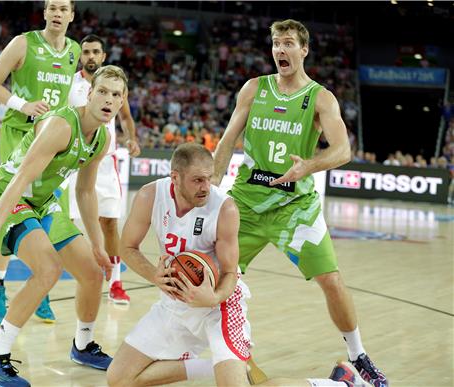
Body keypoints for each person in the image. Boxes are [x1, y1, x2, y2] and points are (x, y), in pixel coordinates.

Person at [211, 19, 387, 387]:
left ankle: (358, 356)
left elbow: (343, 150)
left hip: (295, 206)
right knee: (214, 275)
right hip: (246, 200)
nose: (280, 50)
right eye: (276, 43)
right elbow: (228, 139)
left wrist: (310, 165)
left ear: (304, 50)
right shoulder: (254, 89)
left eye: (288, 43)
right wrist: (213, 183)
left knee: (332, 280)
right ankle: (236, 353)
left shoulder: (320, 97)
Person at [108, 143, 371, 387]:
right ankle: (216, 368)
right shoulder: (150, 196)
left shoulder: (224, 209)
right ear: (175, 177)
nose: (206, 186)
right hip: (175, 303)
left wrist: (212, 297)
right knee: (118, 379)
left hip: (220, 307)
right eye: (197, 180)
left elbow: (232, 273)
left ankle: (339, 382)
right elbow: (127, 247)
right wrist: (154, 275)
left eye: (209, 178)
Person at [0, 65, 127, 386]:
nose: (108, 99)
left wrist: (97, 244)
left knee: (92, 272)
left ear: (122, 102)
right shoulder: (61, 125)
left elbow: (84, 191)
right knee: (48, 269)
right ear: (89, 93)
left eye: (116, 94)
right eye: (102, 91)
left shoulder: (102, 137)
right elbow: (20, 178)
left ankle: (83, 344)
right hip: (5, 194)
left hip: (43, 203)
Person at [0, 0, 81, 325]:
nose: (56, 13)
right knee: (13, 212)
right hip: (18, 135)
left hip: (52, 141)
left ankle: (40, 285)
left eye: (63, 8)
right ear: (45, 12)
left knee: (49, 213)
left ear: (71, 15)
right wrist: (23, 104)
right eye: (52, 7)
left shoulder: (74, 51)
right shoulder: (23, 42)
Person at [61, 34, 141, 304]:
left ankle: (116, 282)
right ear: (80, 55)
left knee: (109, 223)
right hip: (73, 163)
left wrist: (131, 137)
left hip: (106, 165)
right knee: (66, 224)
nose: (91, 56)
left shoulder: (114, 85)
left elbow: (127, 117)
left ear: (104, 55)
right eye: (86, 52)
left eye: (96, 51)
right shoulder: (70, 84)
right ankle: (67, 278)